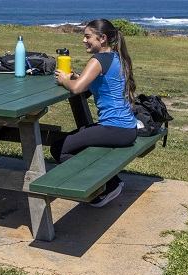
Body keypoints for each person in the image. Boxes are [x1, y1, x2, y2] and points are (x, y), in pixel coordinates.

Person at [48, 19, 138, 207]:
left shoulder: (98, 60)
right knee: (77, 140)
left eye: (88, 36)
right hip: (126, 127)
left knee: (59, 149)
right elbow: (95, 83)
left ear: (102, 38)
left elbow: (77, 89)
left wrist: (65, 80)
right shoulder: (115, 57)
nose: (84, 40)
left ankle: (107, 186)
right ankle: (111, 182)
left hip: (116, 127)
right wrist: (75, 77)